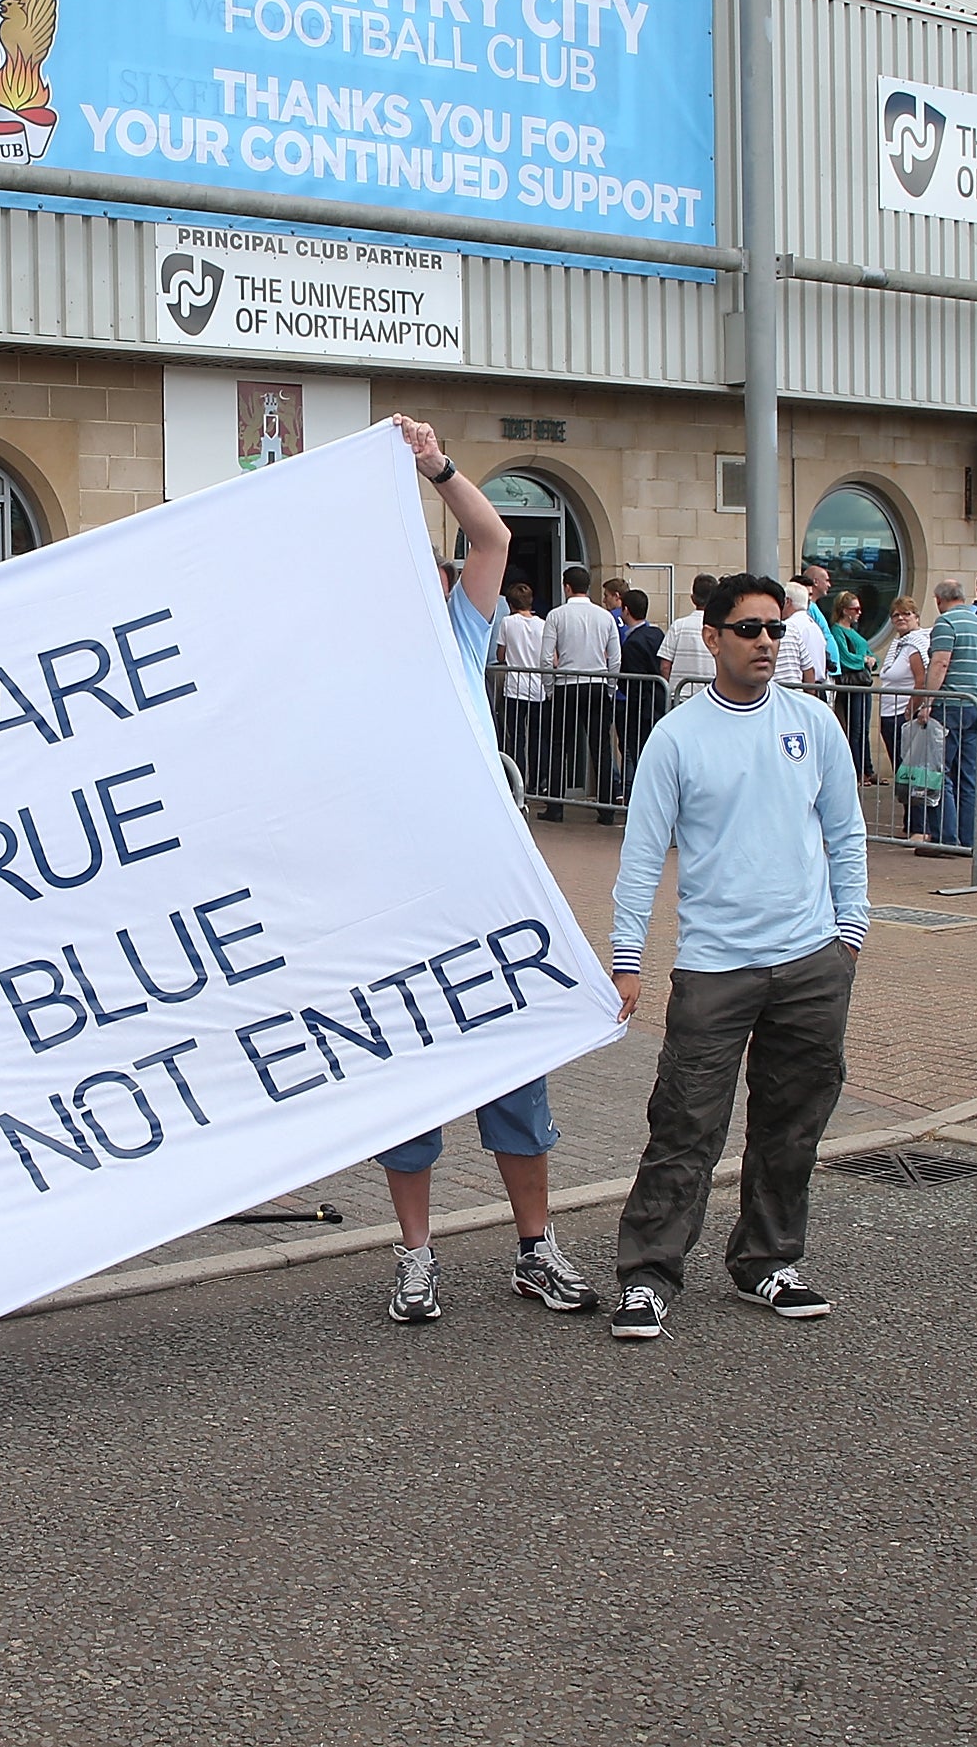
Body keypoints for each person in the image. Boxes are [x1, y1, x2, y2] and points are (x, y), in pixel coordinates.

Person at [604, 574, 868, 1341]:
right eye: (748, 629)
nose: (764, 642)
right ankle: (650, 1274)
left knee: (792, 1124)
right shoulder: (678, 736)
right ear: (711, 636)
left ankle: (767, 1260)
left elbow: (846, 831)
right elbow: (642, 856)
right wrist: (629, 959)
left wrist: (849, 931)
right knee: (686, 1122)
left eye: (774, 629)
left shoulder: (814, 724)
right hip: (716, 967)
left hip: (811, 961)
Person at [381, 417, 598, 1325]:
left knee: (518, 1067)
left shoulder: (461, 637)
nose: (428, 587)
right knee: (409, 1090)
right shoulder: (341, 673)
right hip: (391, 907)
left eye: (431, 575)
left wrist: (436, 467)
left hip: (482, 896)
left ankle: (534, 1247)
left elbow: (496, 537)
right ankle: (414, 1256)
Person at [923, 575, 977, 853]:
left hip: (949, 705)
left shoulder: (945, 624)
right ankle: (968, 839)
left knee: (940, 772)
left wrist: (927, 701)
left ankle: (946, 838)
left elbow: (940, 662)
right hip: (975, 706)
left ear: (939, 600)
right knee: (968, 776)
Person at [544, 563, 624, 824]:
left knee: (559, 748)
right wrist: (610, 688)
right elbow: (615, 659)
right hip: (597, 684)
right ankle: (607, 809)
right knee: (601, 748)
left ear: (567, 587)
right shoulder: (605, 617)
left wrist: (549, 688)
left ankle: (555, 807)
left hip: (566, 685)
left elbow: (546, 658)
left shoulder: (556, 616)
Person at [876, 600, 933, 835]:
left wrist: (912, 708)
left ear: (916, 616)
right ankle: (910, 819)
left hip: (903, 715)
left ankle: (918, 823)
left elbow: (921, 680)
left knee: (911, 771)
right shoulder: (898, 644)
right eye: (895, 615)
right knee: (901, 771)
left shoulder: (915, 644)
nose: (900, 618)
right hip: (889, 713)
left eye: (906, 614)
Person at [496, 580, 552, 804]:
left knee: (516, 738)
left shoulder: (508, 623)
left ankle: (516, 781)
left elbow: (501, 654)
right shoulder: (543, 624)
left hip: (514, 687)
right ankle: (537, 781)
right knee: (538, 737)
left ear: (510, 604)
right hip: (538, 687)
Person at [824, 590, 877, 778]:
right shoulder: (837, 631)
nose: (859, 613)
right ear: (845, 610)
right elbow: (845, 658)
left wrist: (870, 659)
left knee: (863, 727)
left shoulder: (853, 632)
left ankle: (867, 768)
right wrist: (864, 660)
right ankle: (858, 769)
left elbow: (869, 652)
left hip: (862, 682)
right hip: (853, 683)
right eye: (855, 609)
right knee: (855, 728)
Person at [618, 587, 666, 781]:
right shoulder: (656, 634)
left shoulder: (633, 642)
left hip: (640, 709)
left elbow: (632, 681)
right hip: (657, 703)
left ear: (626, 610)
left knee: (638, 754)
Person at [656, 576, 717, 695]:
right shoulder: (719, 628)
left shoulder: (678, 626)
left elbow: (665, 666)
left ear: (693, 598)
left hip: (681, 695)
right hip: (711, 695)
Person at [775, 579, 830, 696]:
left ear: (788, 601)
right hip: (814, 686)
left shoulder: (790, 627)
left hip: (803, 689)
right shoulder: (813, 625)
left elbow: (807, 667)